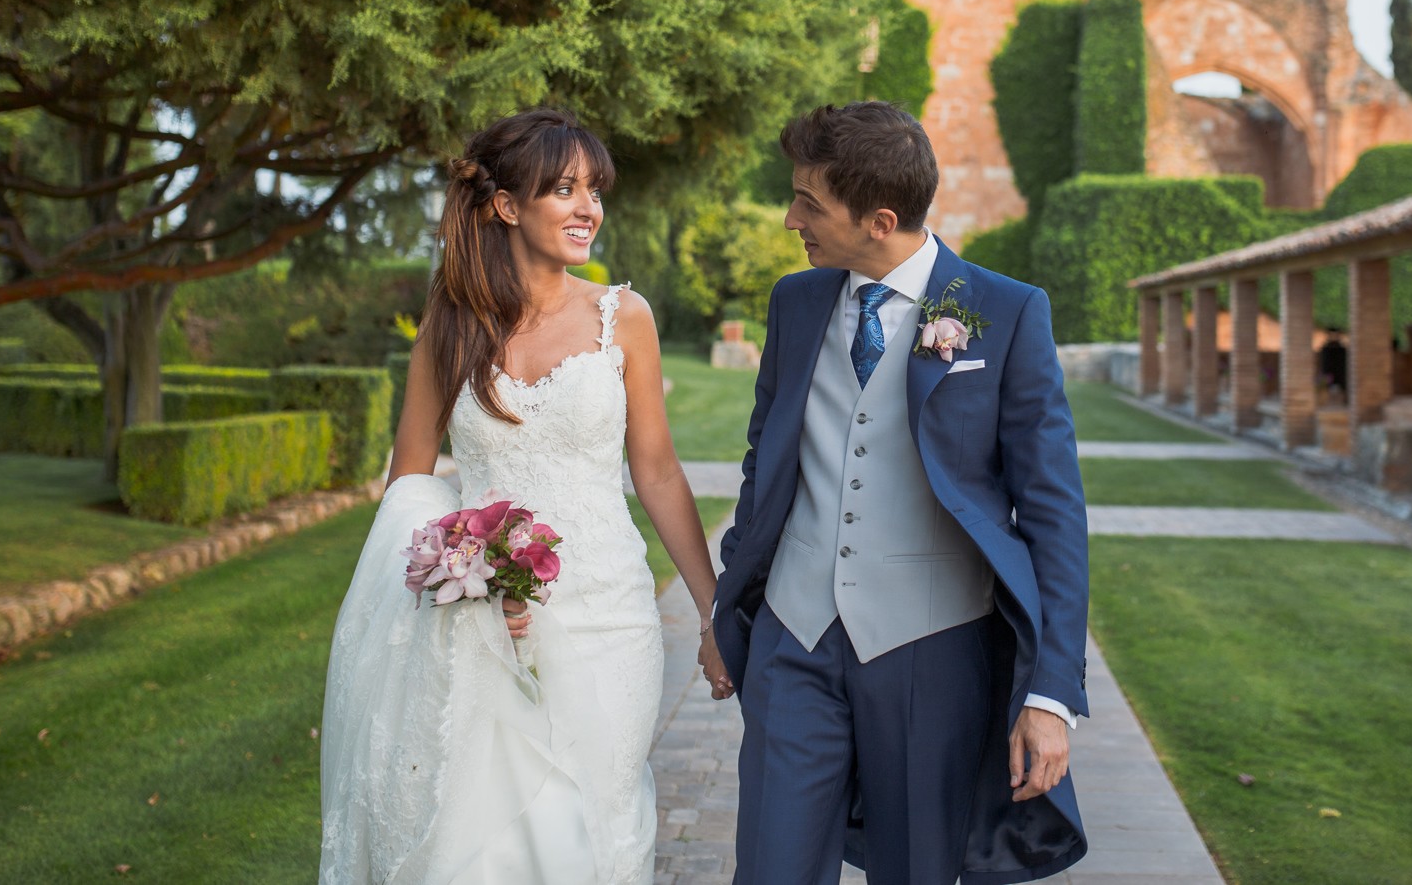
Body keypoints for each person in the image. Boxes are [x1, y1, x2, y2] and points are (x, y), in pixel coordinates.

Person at [320, 107, 718, 885]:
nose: (588, 207)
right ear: (506, 205)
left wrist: (711, 607)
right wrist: (466, 572)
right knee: (492, 839)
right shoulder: (451, 324)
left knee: (604, 824)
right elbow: (409, 481)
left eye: (594, 189)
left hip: (611, 615)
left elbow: (660, 471)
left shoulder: (622, 318)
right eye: (564, 188)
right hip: (487, 623)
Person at [701, 102, 1090, 885]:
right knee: (771, 868)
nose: (790, 219)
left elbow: (1053, 513)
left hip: (933, 649)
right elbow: (763, 466)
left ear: (879, 219)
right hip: (793, 637)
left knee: (914, 870)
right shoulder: (796, 302)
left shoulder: (1005, 312)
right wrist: (726, 607)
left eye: (808, 203)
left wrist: (1053, 690)